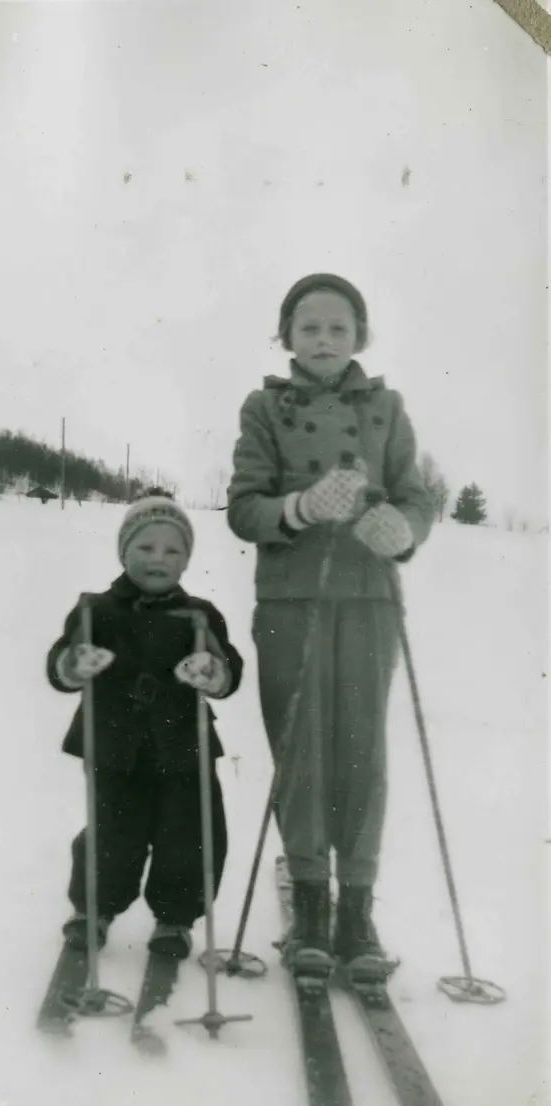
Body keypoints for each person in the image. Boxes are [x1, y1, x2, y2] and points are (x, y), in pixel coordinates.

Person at [226, 274, 434, 981]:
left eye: (337, 328)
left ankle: (358, 908)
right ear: (285, 336)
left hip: (369, 598)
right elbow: (244, 509)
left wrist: (399, 528)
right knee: (301, 749)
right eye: (308, 327)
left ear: (359, 338)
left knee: (360, 751)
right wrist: (301, 508)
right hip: (289, 599)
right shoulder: (263, 407)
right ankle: (312, 902)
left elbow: (416, 497)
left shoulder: (387, 408)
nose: (322, 340)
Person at [46, 492, 243, 961]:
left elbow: (227, 666)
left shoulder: (200, 613)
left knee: (190, 833)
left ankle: (175, 918)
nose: (159, 558)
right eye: (146, 547)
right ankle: (93, 910)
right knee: (113, 832)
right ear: (124, 551)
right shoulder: (96, 609)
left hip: (183, 746)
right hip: (114, 744)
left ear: (187, 559)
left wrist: (213, 673)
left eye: (173, 550)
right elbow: (58, 661)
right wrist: (74, 664)